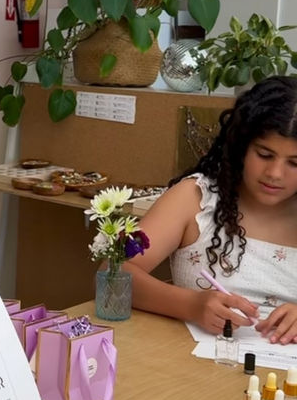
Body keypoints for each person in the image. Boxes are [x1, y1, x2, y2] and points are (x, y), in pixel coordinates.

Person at [124, 76, 297, 344]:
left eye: (294, 163)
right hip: (192, 370)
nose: (274, 173)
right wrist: (191, 305)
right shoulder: (195, 198)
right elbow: (115, 273)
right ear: (241, 147)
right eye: (264, 155)